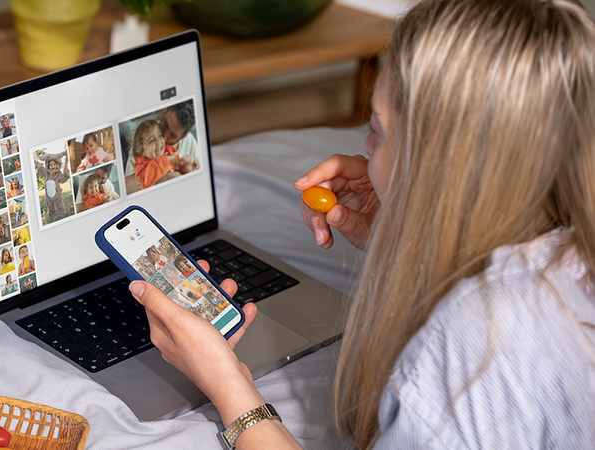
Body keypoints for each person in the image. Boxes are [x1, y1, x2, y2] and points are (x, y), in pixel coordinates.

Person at [127, 1, 595, 448]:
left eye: (377, 130)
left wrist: (226, 384)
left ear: (437, 168)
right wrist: (406, 233)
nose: (365, 148)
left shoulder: (470, 350)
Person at [130, 120, 197, 190]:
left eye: (159, 136)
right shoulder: (141, 165)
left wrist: (186, 168)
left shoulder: (169, 151)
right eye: (152, 141)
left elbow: (177, 169)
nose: (158, 141)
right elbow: (143, 182)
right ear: (141, 151)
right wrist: (165, 160)